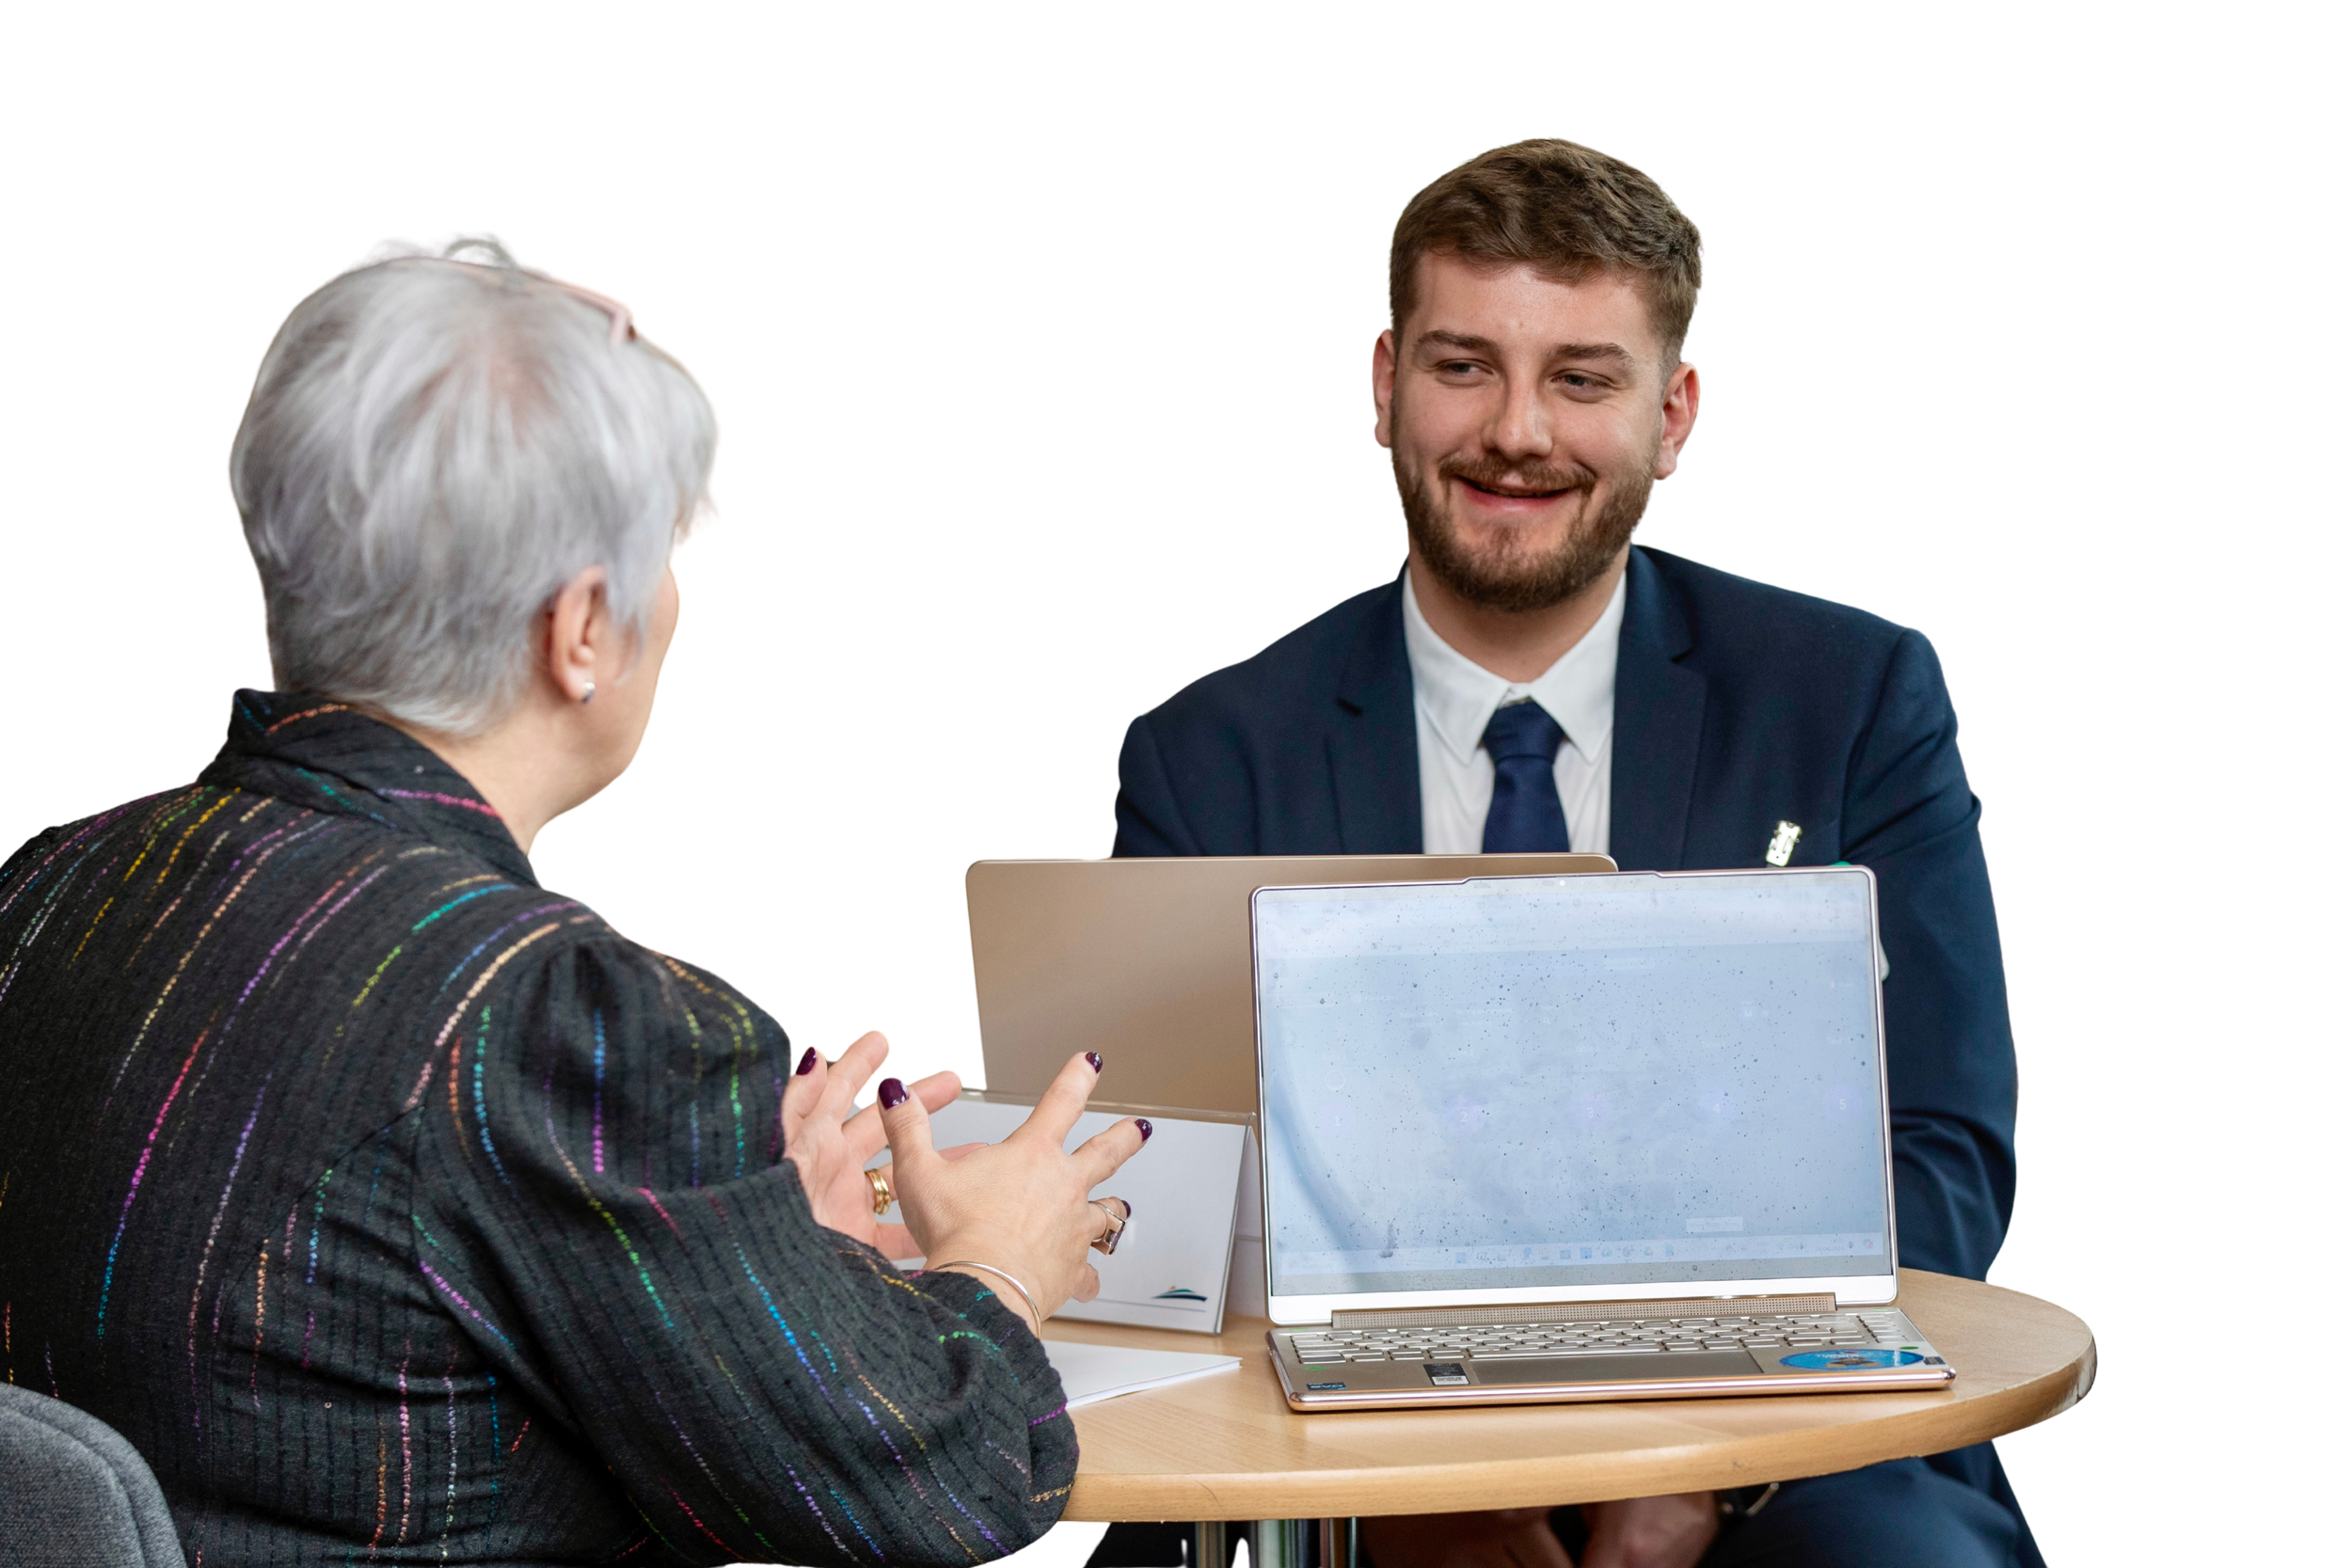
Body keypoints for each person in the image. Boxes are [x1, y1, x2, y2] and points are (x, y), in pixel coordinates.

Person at [0, 232, 1143, 1566]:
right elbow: (929, 1523)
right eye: (680, 555)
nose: (682, 607)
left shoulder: (50, 890)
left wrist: (747, 1240)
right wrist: (995, 1265)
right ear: (583, 628)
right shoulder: (563, 1020)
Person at [1111, 140, 2038, 1567]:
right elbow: (1160, 1220)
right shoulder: (1205, 753)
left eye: (1582, 378)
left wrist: (1690, 1469)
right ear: (1384, 385)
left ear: (1675, 414)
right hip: (1333, 1448)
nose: (1517, 431)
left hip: (1785, 1451)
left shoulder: (1854, 701)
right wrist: (1442, 1497)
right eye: (1463, 365)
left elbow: (1947, 1160)